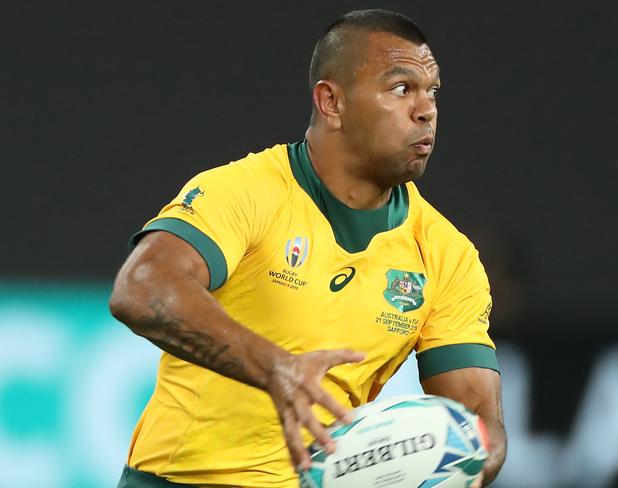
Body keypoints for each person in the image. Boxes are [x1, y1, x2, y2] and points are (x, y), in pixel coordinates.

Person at [110, 8, 506, 488]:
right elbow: (142, 286)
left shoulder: (447, 255)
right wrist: (276, 369)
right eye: (402, 88)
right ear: (331, 102)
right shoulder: (248, 190)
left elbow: (478, 423)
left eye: (433, 91)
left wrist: (453, 466)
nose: (426, 109)